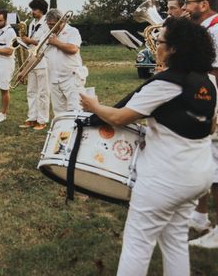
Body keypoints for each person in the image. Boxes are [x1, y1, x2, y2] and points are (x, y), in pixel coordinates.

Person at [81, 17, 217, 275]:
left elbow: (121, 117)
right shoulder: (209, 82)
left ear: (174, 48)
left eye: (160, 41)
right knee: (175, 238)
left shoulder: (165, 83)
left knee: (138, 244)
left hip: (165, 178)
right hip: (199, 176)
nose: (157, 46)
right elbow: (210, 125)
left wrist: (94, 106)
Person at [181, 0, 218, 246]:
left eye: (188, 3)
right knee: (206, 161)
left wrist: (212, 109)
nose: (184, 7)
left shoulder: (216, 31)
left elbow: (215, 74)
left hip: (214, 104)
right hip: (206, 102)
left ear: (203, 5)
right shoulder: (206, 30)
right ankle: (200, 216)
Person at [44, 8, 87, 116]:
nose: (50, 27)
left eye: (53, 24)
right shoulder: (47, 34)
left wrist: (56, 42)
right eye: (49, 24)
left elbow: (73, 49)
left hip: (71, 78)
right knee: (59, 113)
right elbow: (38, 56)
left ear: (61, 21)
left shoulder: (73, 31)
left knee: (76, 110)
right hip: (54, 79)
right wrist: (23, 72)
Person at [19, 0, 51, 130]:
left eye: (35, 9)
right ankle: (32, 117)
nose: (32, 12)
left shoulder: (47, 23)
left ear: (41, 10)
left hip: (43, 60)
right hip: (31, 59)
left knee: (43, 92)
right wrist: (23, 41)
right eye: (32, 9)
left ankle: (42, 120)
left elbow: (44, 42)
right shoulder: (32, 23)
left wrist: (28, 40)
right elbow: (32, 41)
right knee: (31, 91)